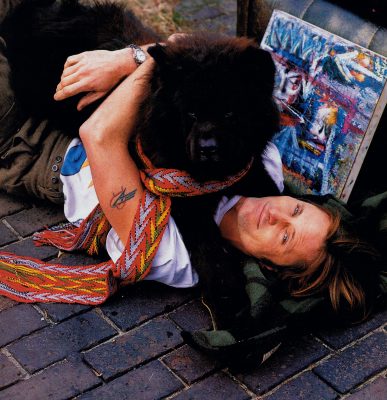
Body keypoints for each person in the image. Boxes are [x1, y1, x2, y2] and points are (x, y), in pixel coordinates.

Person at [0, 2, 383, 323]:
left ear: (270, 267)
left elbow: (100, 135)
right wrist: (128, 57)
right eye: (297, 210)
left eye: (285, 236)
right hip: (65, 54)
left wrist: (138, 61)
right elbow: (184, 48)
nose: (277, 215)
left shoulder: (173, 253)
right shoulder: (259, 160)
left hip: (30, 139)